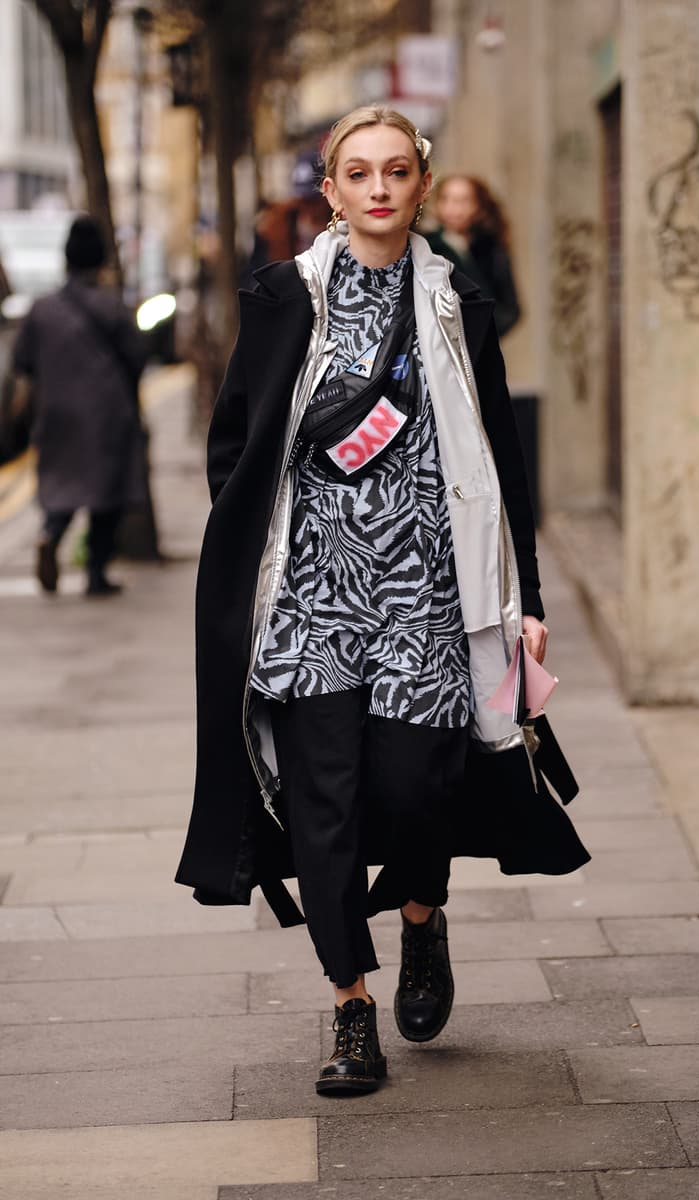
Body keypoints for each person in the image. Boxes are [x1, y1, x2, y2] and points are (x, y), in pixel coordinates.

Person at [175, 106, 588, 1097]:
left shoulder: (458, 302)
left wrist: (521, 594)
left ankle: (418, 913)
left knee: (414, 791)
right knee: (321, 808)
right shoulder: (283, 295)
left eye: (394, 171)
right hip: (311, 603)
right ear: (328, 189)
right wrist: (249, 557)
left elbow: (499, 461)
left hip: (426, 601)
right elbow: (231, 442)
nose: (376, 189)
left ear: (416, 181)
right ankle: (349, 1008)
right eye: (355, 173)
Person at [12, 215, 146, 597]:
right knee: (106, 496)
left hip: (56, 413)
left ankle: (50, 534)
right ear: (100, 260)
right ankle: (95, 575)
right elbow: (137, 358)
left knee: (63, 489)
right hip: (106, 414)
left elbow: (22, 361)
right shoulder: (111, 306)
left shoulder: (41, 310)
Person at [425, 174, 521, 337]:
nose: (453, 208)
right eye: (446, 199)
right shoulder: (428, 246)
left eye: (462, 201)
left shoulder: (490, 249)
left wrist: (484, 334)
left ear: (478, 206)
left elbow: (510, 308)